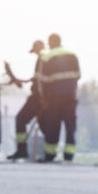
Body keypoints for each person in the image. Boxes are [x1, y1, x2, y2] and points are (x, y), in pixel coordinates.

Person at [36, 33, 80, 162]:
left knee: (52, 125)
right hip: (70, 96)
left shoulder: (47, 57)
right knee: (70, 125)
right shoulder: (73, 55)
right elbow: (77, 75)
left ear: (50, 42)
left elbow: (42, 80)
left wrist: (43, 97)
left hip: (54, 97)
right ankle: (69, 154)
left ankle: (50, 154)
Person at [6, 40, 46, 161]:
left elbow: (42, 80)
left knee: (21, 119)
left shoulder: (43, 59)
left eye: (35, 51)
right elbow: (37, 78)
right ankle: (47, 153)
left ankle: (22, 149)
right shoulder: (44, 60)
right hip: (41, 96)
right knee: (44, 124)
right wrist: (24, 81)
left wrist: (43, 97)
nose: (35, 54)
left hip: (38, 97)